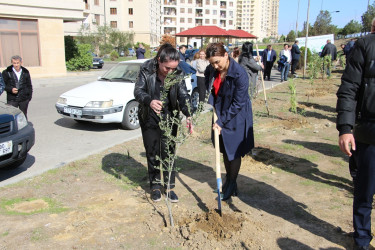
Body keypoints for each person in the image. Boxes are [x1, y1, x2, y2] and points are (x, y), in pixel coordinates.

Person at [134, 43, 192, 203]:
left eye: (173, 68)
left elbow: (183, 95)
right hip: (149, 117)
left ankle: (169, 187)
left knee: (169, 153)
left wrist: (189, 114)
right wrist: (149, 101)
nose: (170, 72)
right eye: (167, 68)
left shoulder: (177, 72)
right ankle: (155, 186)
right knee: (152, 152)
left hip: (170, 118)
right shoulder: (146, 69)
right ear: (159, 60)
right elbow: (138, 91)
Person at [336, 18, 375, 250]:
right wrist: (346, 128)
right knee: (365, 192)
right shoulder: (365, 45)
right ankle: (361, 240)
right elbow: (349, 89)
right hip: (369, 133)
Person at [204, 43, 255, 201]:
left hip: (236, 115)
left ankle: (231, 184)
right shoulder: (212, 70)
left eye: (217, 61)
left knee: (233, 150)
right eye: (212, 62)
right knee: (225, 148)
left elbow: (238, 104)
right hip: (220, 111)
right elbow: (209, 82)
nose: (215, 65)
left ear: (226, 55)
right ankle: (229, 182)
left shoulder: (240, 74)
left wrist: (221, 122)